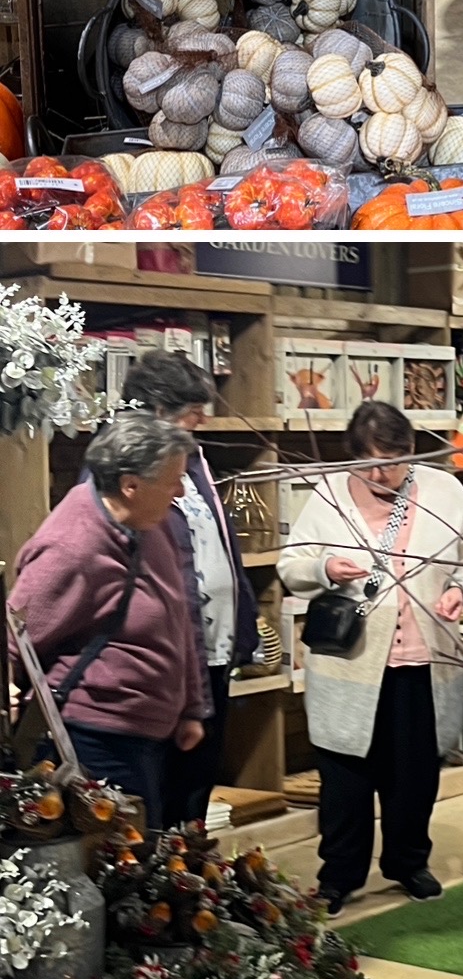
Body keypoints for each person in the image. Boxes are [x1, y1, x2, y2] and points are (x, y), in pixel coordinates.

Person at [278, 401, 463, 914]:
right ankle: (339, 876)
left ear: (411, 453)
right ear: (352, 458)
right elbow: (291, 565)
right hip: (349, 665)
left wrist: (459, 588)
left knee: (415, 775)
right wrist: (327, 567)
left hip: (424, 660)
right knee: (345, 779)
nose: (380, 474)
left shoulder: (443, 490)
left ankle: (409, 863)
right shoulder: (329, 497)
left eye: (393, 462)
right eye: (369, 463)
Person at [9, 412, 208, 828]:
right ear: (130, 485)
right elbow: (17, 635)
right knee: (116, 861)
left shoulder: (152, 523)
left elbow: (177, 619)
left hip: (150, 732)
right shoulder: (72, 548)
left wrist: (190, 706)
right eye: (172, 480)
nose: (181, 491)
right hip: (93, 736)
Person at [118, 352, 263, 826]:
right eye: (191, 412)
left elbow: (218, 541)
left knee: (201, 772)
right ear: (157, 410)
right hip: (166, 655)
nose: (202, 420)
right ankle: (159, 882)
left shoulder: (193, 458)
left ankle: (192, 872)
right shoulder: (124, 467)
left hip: (213, 649)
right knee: (163, 779)